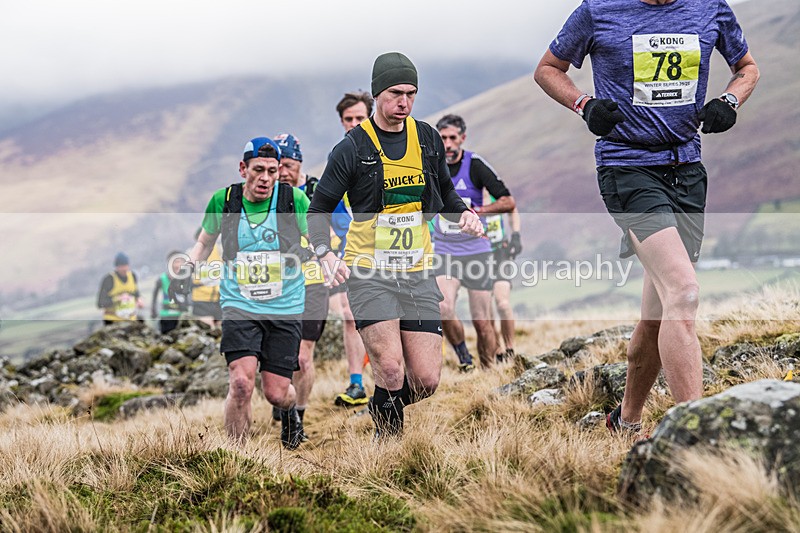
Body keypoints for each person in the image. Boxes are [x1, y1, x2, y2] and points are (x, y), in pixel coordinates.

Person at [534, 0, 759, 435]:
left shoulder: (709, 8)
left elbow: (747, 66)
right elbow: (547, 68)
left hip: (687, 168)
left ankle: (626, 420)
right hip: (627, 167)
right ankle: (692, 435)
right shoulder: (599, 10)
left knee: (658, 312)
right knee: (684, 292)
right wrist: (584, 104)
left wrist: (730, 101)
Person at [308, 52, 483, 438]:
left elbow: (447, 195)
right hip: (370, 272)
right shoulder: (352, 148)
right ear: (376, 95)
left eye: (411, 93)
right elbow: (317, 208)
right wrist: (324, 253)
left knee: (425, 381)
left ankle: (380, 407)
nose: (403, 102)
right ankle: (389, 451)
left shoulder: (427, 138)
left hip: (418, 271)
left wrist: (465, 215)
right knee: (389, 369)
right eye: (394, 93)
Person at [176, 137, 313, 449]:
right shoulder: (223, 201)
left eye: (272, 171)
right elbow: (205, 241)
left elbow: (319, 239)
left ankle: (291, 413)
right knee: (240, 383)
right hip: (239, 303)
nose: (265, 178)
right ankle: (237, 460)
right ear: (243, 169)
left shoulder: (295, 201)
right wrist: (186, 271)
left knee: (277, 393)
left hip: (285, 305)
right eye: (258, 170)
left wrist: (304, 248)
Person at [433, 114, 515, 370]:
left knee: (482, 322)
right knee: (443, 307)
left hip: (477, 251)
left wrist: (478, 211)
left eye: (452, 138)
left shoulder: (475, 165)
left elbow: (508, 201)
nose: (447, 143)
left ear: (462, 139)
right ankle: (464, 357)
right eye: (442, 138)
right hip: (444, 250)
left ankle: (488, 371)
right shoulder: (432, 166)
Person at [271, 132, 328, 436]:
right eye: (277, 165)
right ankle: (282, 399)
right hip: (277, 285)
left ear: (300, 163)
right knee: (278, 356)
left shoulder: (318, 190)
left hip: (314, 281)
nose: (282, 172)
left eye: (288, 165)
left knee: (303, 357)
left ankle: (297, 419)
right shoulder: (267, 195)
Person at [331, 91, 375, 408]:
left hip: (393, 252)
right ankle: (357, 383)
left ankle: (392, 378)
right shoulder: (339, 157)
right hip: (352, 254)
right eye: (349, 119)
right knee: (350, 316)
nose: (354, 124)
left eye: (360, 118)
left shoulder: (387, 150)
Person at [487, 204, 522, 362]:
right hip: (477, 254)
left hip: (500, 253)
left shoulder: (495, 191)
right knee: (486, 311)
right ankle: (497, 351)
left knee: (502, 304)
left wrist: (515, 235)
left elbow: (512, 207)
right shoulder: (467, 189)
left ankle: (510, 349)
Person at [97, 252, 144, 324]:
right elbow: (100, 303)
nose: (124, 268)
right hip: (113, 321)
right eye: (121, 266)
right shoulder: (109, 279)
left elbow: (135, 293)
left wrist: (139, 300)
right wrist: (117, 299)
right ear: (116, 267)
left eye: (126, 265)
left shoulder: (132, 276)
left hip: (131, 320)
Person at [190, 228, 223, 329]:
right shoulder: (192, 253)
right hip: (201, 298)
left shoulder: (220, 250)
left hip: (219, 297)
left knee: (220, 328)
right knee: (206, 328)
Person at [151, 251, 187, 334]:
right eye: (174, 262)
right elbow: (154, 296)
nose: (177, 265)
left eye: (179, 262)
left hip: (181, 317)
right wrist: (153, 311)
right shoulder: (162, 279)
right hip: (166, 317)